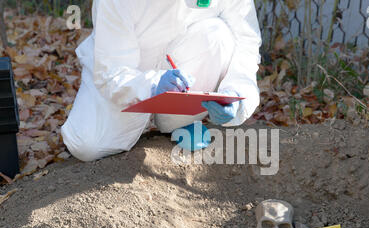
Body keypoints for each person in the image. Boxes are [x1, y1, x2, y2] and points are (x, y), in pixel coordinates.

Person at [61, 0, 262, 162]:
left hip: (184, 57)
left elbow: (247, 43)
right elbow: (112, 71)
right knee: (88, 144)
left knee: (217, 35)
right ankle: (133, 117)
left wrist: (237, 95)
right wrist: (152, 84)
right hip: (127, 71)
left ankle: (179, 121)